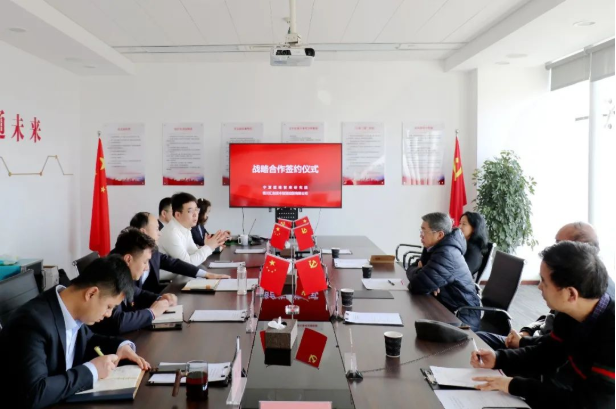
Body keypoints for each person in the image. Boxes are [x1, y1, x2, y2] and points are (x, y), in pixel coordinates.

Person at [470, 241, 614, 409]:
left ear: (571, 294)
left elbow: (587, 404)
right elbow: (546, 354)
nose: (539, 287)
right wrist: (498, 358)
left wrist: (514, 385)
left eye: (544, 282)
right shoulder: (568, 313)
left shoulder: (611, 335)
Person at [0, 256, 151, 409]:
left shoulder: (69, 310)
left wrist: (121, 347)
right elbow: (34, 393)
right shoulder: (32, 323)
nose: (108, 314)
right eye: (109, 306)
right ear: (91, 294)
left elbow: (89, 340)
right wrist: (92, 371)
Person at [477, 221, 615, 350]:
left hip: (542, 351)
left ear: (579, 249)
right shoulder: (571, 287)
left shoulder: (590, 296)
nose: (553, 248)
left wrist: (523, 343)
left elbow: (554, 354)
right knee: (477, 340)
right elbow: (551, 318)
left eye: (558, 243)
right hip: (538, 342)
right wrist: (527, 331)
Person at [89, 228, 177, 335]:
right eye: (145, 262)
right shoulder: (108, 277)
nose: (147, 268)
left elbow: (138, 293)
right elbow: (116, 322)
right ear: (128, 259)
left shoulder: (121, 273)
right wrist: (152, 313)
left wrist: (160, 299)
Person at [406, 212, 481, 330]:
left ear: (440, 235)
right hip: (445, 306)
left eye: (424, 231)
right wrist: (421, 271)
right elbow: (411, 268)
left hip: (461, 317)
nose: (421, 235)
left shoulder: (447, 254)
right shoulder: (433, 248)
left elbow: (416, 285)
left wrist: (422, 273)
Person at [130, 211, 229, 293]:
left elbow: (174, 264)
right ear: (143, 232)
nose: (160, 234)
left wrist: (206, 274)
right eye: (156, 229)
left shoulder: (153, 252)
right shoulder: (127, 258)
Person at [158, 192, 228, 267]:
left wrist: (208, 246)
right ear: (178, 215)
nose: (195, 214)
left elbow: (195, 254)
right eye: (190, 211)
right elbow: (188, 264)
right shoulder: (171, 233)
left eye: (196, 210)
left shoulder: (185, 229)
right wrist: (209, 247)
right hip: (173, 274)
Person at [458, 211, 489, 278]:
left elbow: (461, 274)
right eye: (460, 223)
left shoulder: (473, 251)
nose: (459, 226)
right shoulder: (463, 244)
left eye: (464, 224)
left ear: (474, 228)